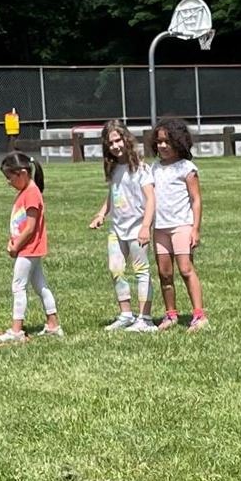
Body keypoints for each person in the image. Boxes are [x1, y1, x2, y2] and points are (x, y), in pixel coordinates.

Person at [88, 120, 157, 331]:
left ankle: (145, 318)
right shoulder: (114, 168)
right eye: (110, 143)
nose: (115, 146)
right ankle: (126, 314)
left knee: (141, 270)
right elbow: (113, 194)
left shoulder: (141, 168)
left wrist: (145, 226)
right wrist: (101, 214)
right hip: (116, 229)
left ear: (126, 139)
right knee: (115, 269)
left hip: (137, 228)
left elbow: (151, 199)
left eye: (118, 140)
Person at [0, 151, 62, 342]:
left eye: (10, 177)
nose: (8, 182)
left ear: (22, 173)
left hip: (29, 249)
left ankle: (16, 330)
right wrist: (13, 241)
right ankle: (53, 324)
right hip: (29, 249)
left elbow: (30, 227)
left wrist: (16, 246)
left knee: (18, 286)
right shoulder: (26, 192)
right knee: (40, 286)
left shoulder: (32, 194)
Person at [151, 117, 207, 331]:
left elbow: (196, 199)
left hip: (182, 226)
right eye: (159, 141)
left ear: (178, 142)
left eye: (167, 141)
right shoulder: (154, 168)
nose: (162, 146)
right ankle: (170, 314)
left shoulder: (187, 168)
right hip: (160, 228)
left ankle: (199, 316)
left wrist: (195, 229)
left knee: (185, 269)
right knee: (165, 274)